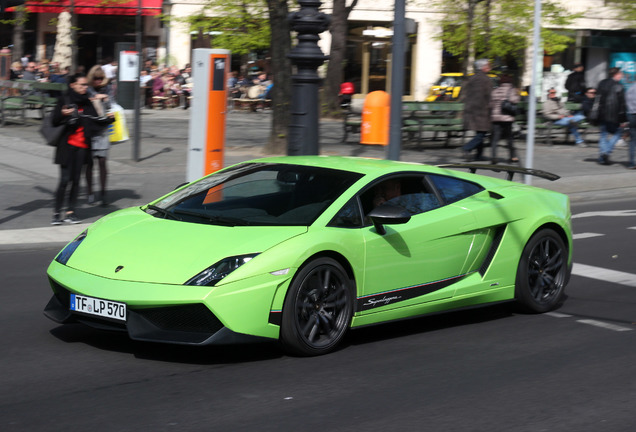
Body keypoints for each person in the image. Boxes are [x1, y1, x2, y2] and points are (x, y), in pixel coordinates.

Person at [51, 73, 114, 225]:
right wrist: (62, 113)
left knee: (76, 180)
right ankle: (57, 213)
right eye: (82, 85)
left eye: (86, 85)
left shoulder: (87, 102)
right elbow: (54, 121)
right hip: (66, 146)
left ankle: (70, 212)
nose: (85, 87)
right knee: (65, 180)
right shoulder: (65, 100)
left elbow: (93, 123)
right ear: (73, 85)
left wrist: (108, 120)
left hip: (83, 147)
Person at [85, 65, 114, 206]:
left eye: (100, 78)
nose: (98, 81)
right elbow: (84, 101)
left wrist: (108, 104)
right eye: (96, 78)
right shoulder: (87, 88)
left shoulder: (107, 88)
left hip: (102, 130)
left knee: (102, 162)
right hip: (90, 130)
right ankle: (90, 192)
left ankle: (103, 193)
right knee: (89, 164)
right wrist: (97, 97)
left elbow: (111, 105)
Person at [461, 59, 493, 161]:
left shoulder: (472, 78)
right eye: (488, 65)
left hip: (471, 110)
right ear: (483, 67)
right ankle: (467, 148)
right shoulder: (486, 79)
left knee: (480, 133)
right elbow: (489, 96)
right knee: (482, 133)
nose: (489, 67)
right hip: (482, 111)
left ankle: (479, 155)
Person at [597, 68, 627, 165]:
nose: (621, 75)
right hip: (614, 115)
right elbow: (622, 104)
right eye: (621, 74)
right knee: (619, 132)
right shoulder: (619, 86)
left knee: (603, 135)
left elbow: (598, 99)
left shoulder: (602, 83)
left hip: (602, 114)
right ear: (616, 75)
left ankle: (602, 157)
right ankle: (606, 152)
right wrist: (623, 119)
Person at [489, 74, 520, 163]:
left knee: (495, 138)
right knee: (509, 138)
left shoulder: (496, 90)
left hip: (495, 118)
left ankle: (494, 157)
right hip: (507, 118)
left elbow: (490, 104)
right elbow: (515, 100)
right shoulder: (511, 90)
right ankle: (512, 156)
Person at [625, 84, 636, 169]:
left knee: (632, 140)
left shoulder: (630, 88)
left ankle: (632, 163)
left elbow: (626, 102)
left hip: (631, 115)